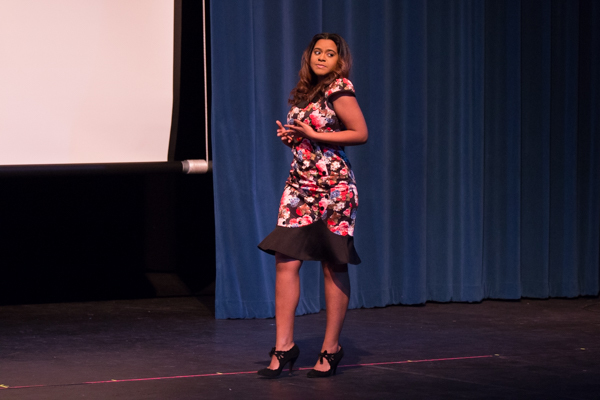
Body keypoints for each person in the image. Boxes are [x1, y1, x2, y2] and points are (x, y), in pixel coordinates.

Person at [257, 32, 368, 378]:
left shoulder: (340, 89)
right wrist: (295, 136)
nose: (321, 57)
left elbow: (359, 132)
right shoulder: (306, 92)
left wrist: (315, 135)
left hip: (333, 188)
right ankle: (284, 346)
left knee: (333, 263)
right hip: (299, 187)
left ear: (339, 61)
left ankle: (331, 348)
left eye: (329, 53)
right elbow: (311, 133)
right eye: (317, 52)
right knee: (285, 261)